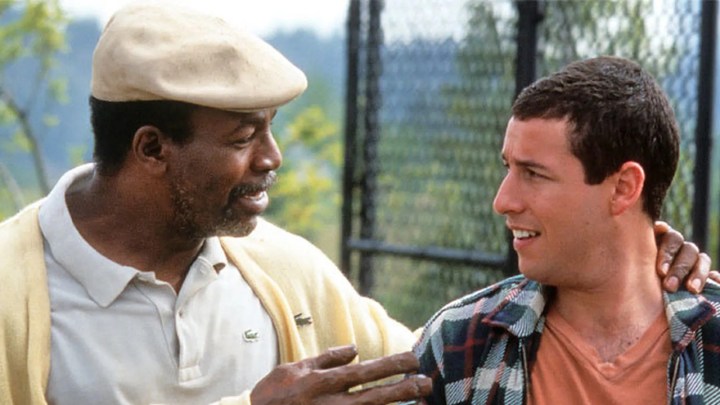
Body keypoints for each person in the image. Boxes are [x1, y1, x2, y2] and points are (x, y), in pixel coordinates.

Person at [0, 3, 709, 404]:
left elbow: (427, 366)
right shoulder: (14, 294)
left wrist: (626, 246)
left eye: (271, 130)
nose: (272, 158)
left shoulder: (279, 272)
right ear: (152, 149)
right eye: (245, 136)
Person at [413, 56, 720, 404]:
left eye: (533, 174)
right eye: (508, 168)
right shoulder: (459, 346)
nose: (503, 201)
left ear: (623, 188)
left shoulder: (711, 343)